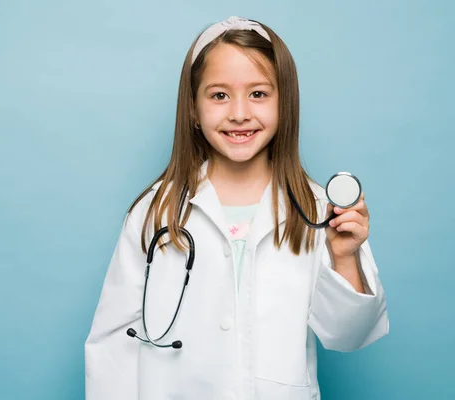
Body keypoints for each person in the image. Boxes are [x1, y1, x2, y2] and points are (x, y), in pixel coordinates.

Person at [84, 16, 389, 400]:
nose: (239, 113)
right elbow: (112, 346)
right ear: (193, 109)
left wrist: (344, 258)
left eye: (258, 94)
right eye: (219, 95)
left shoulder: (315, 210)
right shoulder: (155, 212)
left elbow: (349, 336)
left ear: (285, 103)